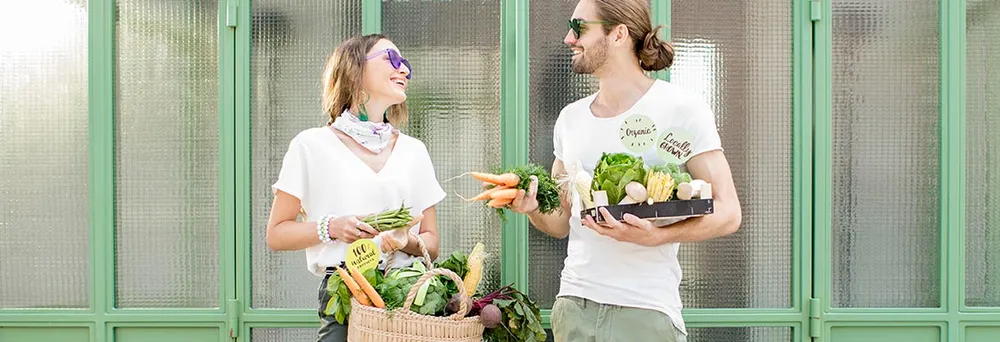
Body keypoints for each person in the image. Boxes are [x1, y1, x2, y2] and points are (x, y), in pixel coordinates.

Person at [507, 0, 743, 341]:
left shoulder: (680, 109)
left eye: (579, 28)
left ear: (618, 34)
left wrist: (658, 236)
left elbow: (729, 212)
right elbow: (560, 221)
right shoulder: (570, 119)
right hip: (575, 305)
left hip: (645, 310)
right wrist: (532, 209)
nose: (567, 39)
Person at [265, 34, 446, 342]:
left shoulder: (414, 151)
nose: (403, 70)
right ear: (354, 69)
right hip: (344, 292)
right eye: (391, 59)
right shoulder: (310, 146)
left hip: (408, 297)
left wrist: (403, 241)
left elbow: (431, 243)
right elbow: (277, 234)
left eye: (405, 64)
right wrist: (332, 227)